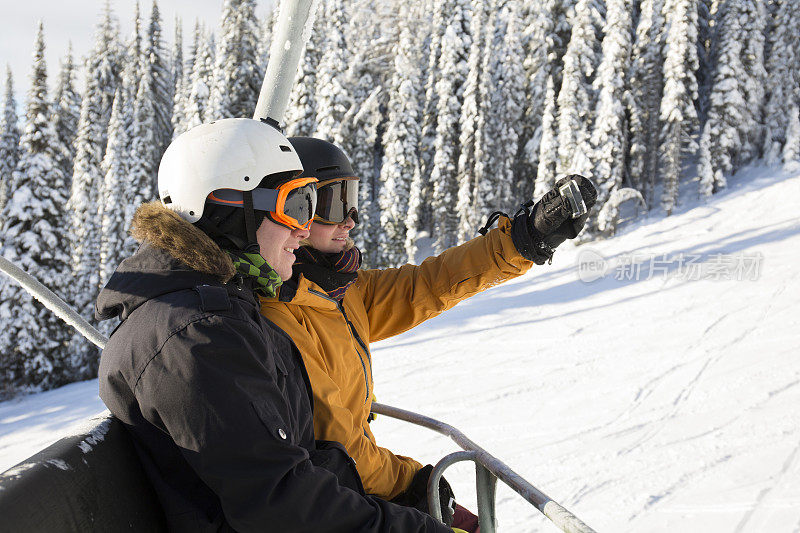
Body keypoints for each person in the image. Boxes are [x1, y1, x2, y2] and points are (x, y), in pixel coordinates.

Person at [96, 118, 462, 532]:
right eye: (296, 206)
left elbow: (289, 470)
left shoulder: (222, 312)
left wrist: (406, 494)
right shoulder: (195, 336)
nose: (305, 228)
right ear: (229, 210)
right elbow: (283, 507)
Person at [258, 137, 598, 531]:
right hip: (347, 497)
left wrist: (522, 240)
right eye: (334, 203)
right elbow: (342, 450)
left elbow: (430, 284)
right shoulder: (280, 316)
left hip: (363, 483)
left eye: (352, 200)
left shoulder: (341, 291)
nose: (349, 220)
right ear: (295, 210)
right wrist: (414, 482)